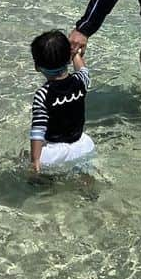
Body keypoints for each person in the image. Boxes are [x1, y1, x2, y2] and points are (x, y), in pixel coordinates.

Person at [29, 30, 95, 175]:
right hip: (82, 146)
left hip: (54, 154)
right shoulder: (81, 82)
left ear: (37, 67)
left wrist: (35, 161)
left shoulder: (43, 95)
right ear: (68, 59)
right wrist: (76, 54)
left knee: (24, 158)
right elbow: (83, 70)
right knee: (83, 172)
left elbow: (38, 131)